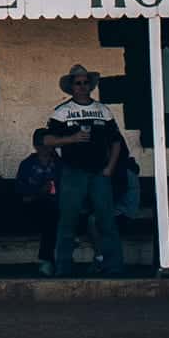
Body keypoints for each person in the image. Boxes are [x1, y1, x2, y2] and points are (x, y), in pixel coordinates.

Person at [44, 64, 124, 276]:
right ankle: (64, 267)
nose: (82, 86)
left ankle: (114, 266)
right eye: (77, 83)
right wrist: (70, 139)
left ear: (91, 85)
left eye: (85, 82)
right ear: (71, 86)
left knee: (106, 219)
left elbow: (116, 142)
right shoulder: (62, 112)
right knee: (68, 219)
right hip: (73, 172)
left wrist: (110, 168)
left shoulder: (103, 110)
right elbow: (48, 139)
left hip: (99, 173)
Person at [16, 127, 63, 276]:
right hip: (33, 208)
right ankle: (47, 261)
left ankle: (49, 261)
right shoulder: (27, 165)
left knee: (54, 215)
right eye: (42, 145)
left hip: (58, 207)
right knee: (49, 216)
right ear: (36, 146)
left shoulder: (59, 164)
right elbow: (21, 193)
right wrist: (40, 191)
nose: (46, 149)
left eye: (49, 145)